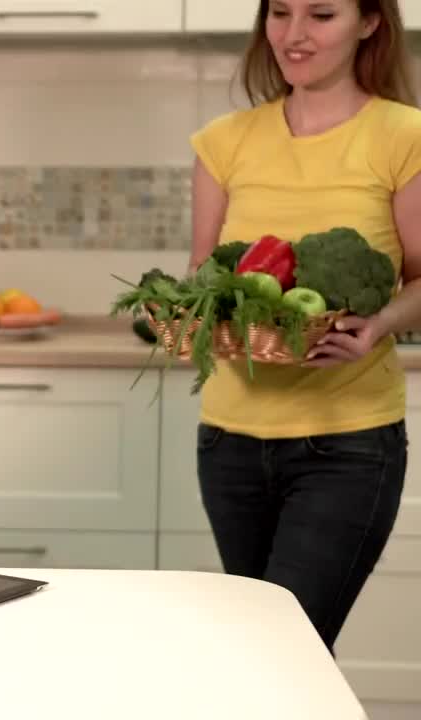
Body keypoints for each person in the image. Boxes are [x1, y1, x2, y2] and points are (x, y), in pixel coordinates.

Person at [187, 0, 420, 652]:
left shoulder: (405, 136)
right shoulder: (224, 141)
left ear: (369, 22)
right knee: (262, 659)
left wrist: (378, 326)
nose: (294, 34)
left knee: (284, 649)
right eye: (281, 12)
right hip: (230, 442)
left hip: (346, 448)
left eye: (321, 14)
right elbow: (205, 273)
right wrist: (198, 322)